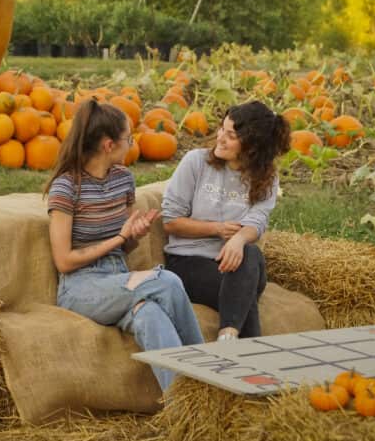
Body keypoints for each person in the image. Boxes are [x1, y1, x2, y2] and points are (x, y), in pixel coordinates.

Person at [44, 98, 204, 392]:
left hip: (118, 277)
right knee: (166, 282)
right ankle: (210, 375)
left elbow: (125, 247)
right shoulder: (66, 188)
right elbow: (64, 261)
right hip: (81, 288)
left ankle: (184, 409)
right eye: (128, 139)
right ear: (108, 145)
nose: (132, 144)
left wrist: (134, 234)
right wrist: (118, 237)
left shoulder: (122, 179)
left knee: (150, 316)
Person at [161, 100, 290, 341]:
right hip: (188, 263)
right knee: (244, 292)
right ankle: (232, 338)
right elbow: (170, 221)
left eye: (230, 135)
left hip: (237, 265)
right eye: (222, 129)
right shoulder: (196, 162)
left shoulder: (266, 178)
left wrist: (239, 239)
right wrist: (217, 229)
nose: (220, 137)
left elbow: (257, 220)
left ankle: (229, 339)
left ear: (252, 145)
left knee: (251, 254)